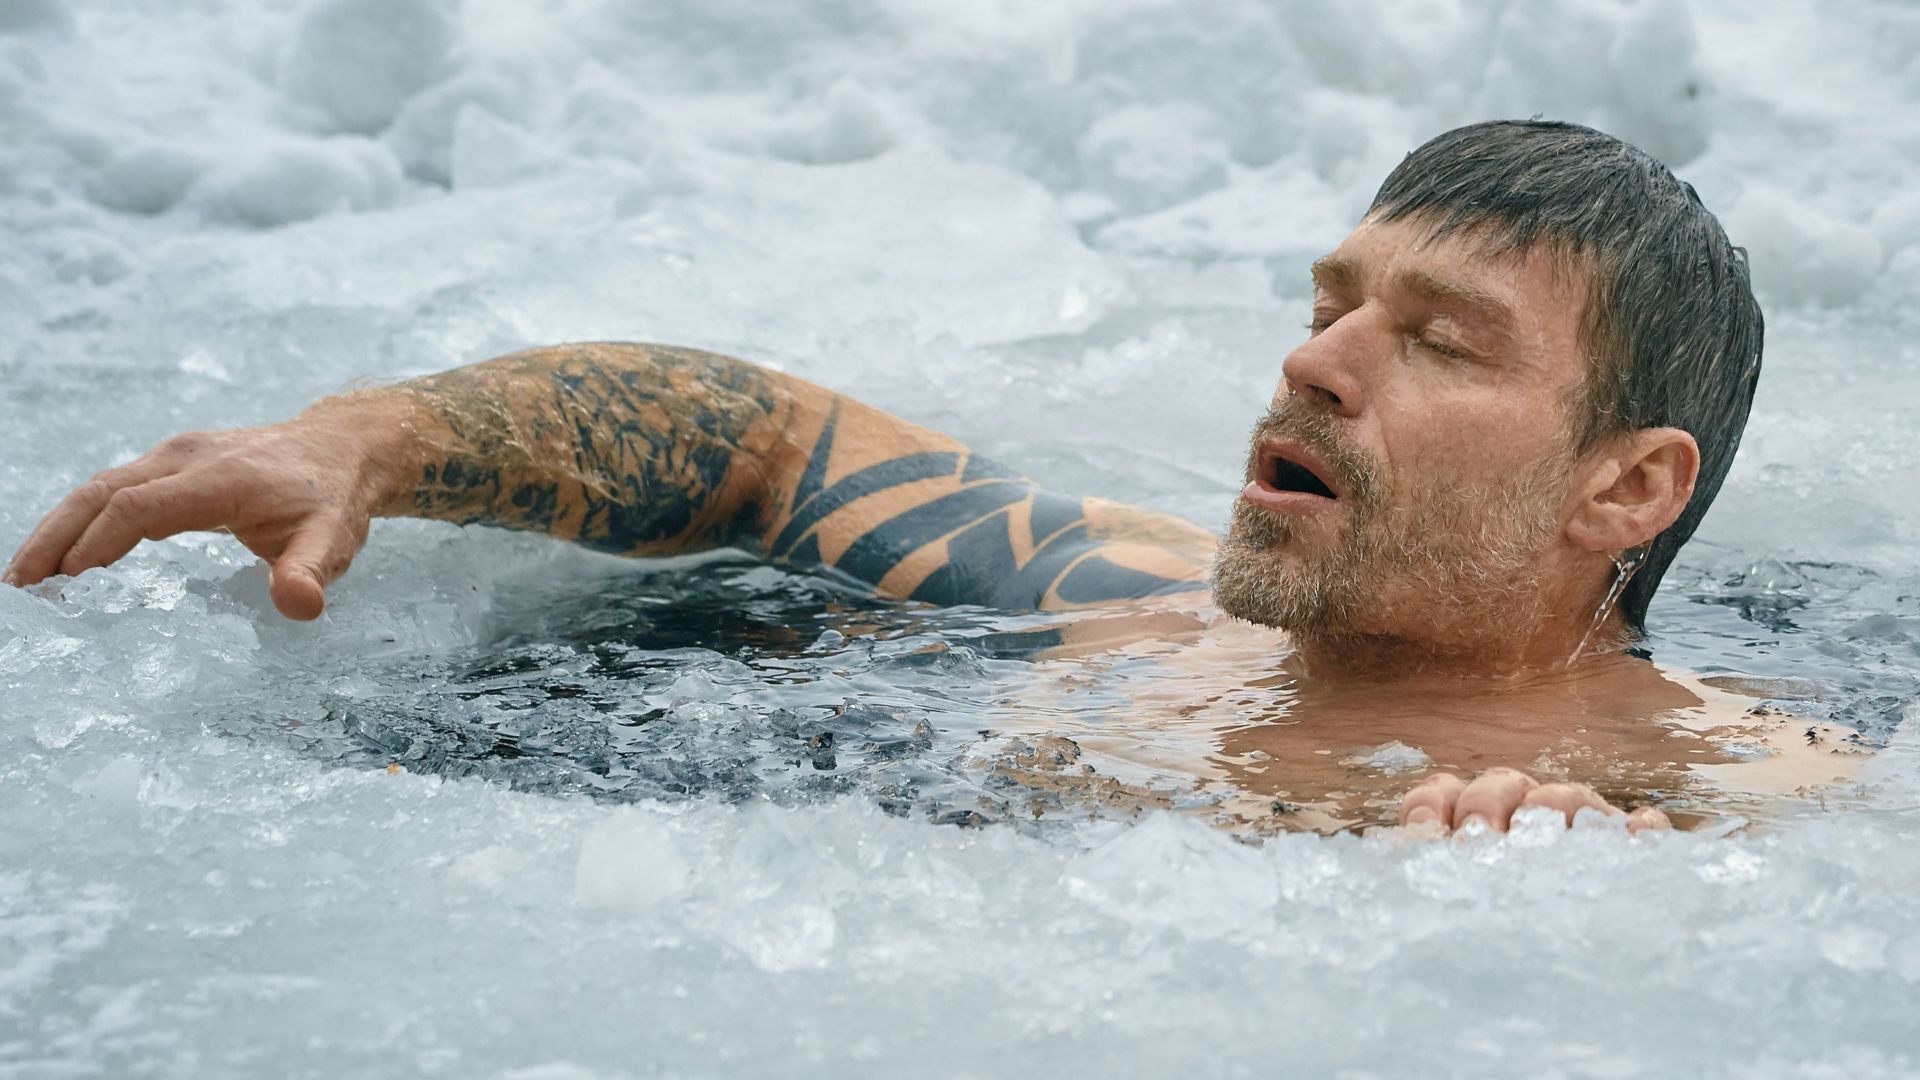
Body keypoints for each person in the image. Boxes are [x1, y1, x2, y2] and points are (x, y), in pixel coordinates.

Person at [4, 120, 1782, 835]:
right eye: (1333, 304)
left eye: (1442, 339)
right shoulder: (1136, 605)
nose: (1317, 361)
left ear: (1625, 491)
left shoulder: (1735, 803)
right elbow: (766, 442)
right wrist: (370, 437)